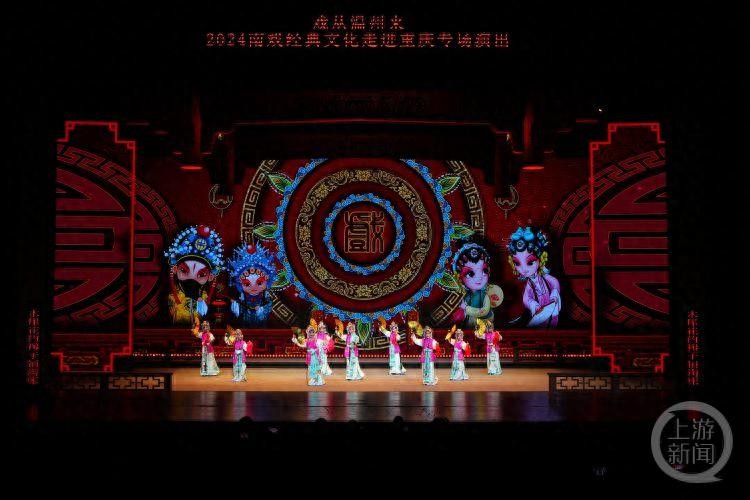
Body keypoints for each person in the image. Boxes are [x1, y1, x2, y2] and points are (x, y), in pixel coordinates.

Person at [164, 225, 225, 324]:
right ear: (175, 269)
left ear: (211, 277)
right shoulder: (174, 296)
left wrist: (200, 301)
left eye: (201, 275)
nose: (192, 278)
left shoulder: (204, 296)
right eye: (184, 271)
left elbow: (203, 314)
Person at [507, 226, 562, 327]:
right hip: (539, 313)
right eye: (517, 263)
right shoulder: (529, 284)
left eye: (530, 262)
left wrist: (554, 295)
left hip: (552, 308)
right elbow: (526, 298)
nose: (524, 269)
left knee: (552, 324)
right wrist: (534, 305)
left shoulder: (545, 277)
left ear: (541, 258)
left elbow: (555, 282)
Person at [451, 243, 504, 329]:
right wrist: (461, 312)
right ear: (459, 278)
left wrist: (467, 309)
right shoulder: (467, 295)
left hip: (485, 323)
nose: (479, 277)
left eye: (484, 271)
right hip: (471, 323)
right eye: (470, 274)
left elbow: (485, 310)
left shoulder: (485, 295)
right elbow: (462, 308)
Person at [227, 243, 278, 327]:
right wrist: (235, 304)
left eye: (259, 283)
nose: (253, 287)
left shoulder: (265, 299)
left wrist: (260, 310)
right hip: (244, 327)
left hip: (262, 327)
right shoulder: (243, 298)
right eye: (247, 284)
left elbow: (267, 309)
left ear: (267, 282)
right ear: (240, 284)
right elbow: (238, 313)